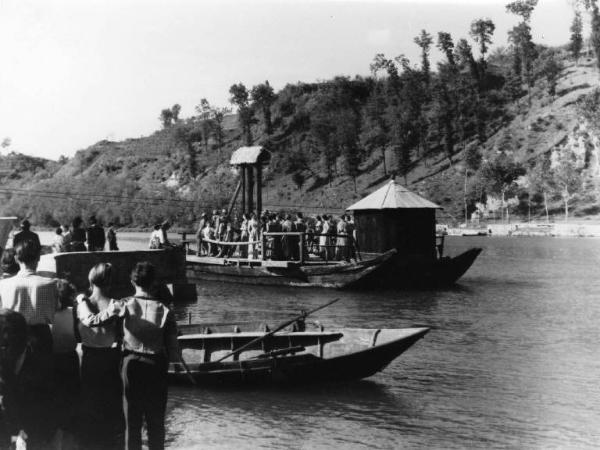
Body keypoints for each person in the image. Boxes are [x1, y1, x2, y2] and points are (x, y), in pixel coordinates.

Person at [80, 262, 179, 450]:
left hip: (131, 365)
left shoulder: (123, 304)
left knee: (131, 423)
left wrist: (82, 302)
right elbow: (174, 352)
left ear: (133, 282)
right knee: (156, 423)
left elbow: (93, 321)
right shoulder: (166, 311)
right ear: (153, 283)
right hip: (156, 365)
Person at [76, 263, 125, 450]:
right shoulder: (116, 305)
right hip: (110, 358)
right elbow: (121, 336)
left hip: (88, 357)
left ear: (91, 280)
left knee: (90, 404)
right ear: (110, 281)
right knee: (110, 406)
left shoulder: (82, 304)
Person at [0, 240, 58, 383]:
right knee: (41, 382)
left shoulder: (3, 284)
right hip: (40, 336)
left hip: (12, 336)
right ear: (38, 257)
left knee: (14, 383)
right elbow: (52, 315)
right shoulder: (50, 284)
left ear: (16, 258)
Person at [52, 279, 80, 440]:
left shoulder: (48, 315)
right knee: (71, 397)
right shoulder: (73, 313)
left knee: (57, 398)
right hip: (70, 358)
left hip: (53, 360)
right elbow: (79, 337)